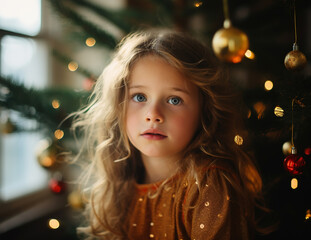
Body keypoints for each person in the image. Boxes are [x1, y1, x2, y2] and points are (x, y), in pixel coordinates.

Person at [71, 29, 265, 240]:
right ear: (118, 104)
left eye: (174, 100)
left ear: (205, 111)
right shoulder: (119, 184)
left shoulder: (209, 185)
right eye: (139, 97)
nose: (153, 115)